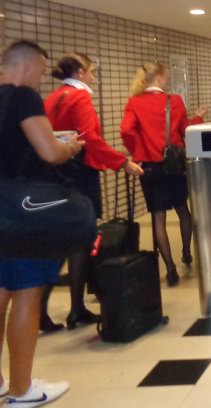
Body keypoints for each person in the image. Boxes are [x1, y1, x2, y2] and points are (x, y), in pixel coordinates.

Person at [0, 40, 82, 407]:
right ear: (29, 66)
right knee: (27, 294)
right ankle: (22, 389)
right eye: (42, 71)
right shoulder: (24, 97)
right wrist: (69, 146)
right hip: (25, 214)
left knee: (1, 293)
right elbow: (49, 151)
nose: (41, 79)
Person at [39, 53, 144, 332]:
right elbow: (90, 138)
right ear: (80, 72)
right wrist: (121, 162)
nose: (93, 76)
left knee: (57, 244)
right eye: (91, 71)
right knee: (81, 240)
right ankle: (77, 309)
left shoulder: (52, 98)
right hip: (80, 175)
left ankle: (40, 309)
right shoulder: (80, 98)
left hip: (54, 175)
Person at [120, 63, 206, 287]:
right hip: (174, 166)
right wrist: (198, 118)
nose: (167, 81)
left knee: (158, 217)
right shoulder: (174, 101)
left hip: (149, 167)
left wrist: (137, 150)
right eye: (166, 77)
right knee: (183, 210)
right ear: (158, 77)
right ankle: (186, 252)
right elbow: (186, 130)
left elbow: (126, 130)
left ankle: (169, 268)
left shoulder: (134, 102)